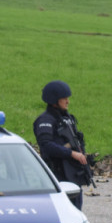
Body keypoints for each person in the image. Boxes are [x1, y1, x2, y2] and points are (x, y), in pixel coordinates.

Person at [33, 80, 93, 209]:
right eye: (64, 98)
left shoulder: (67, 119)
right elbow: (46, 145)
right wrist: (71, 153)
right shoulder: (45, 120)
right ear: (54, 100)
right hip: (57, 174)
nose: (68, 101)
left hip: (72, 174)